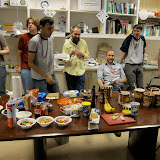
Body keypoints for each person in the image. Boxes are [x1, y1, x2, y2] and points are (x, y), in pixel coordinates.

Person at [28, 17, 60, 93]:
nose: (51, 31)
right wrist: (45, 76)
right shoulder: (34, 41)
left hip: (51, 75)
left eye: (52, 28)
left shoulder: (51, 38)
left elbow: (48, 55)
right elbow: (30, 63)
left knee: (57, 98)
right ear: (41, 27)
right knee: (44, 103)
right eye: (49, 28)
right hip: (39, 79)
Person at [62, 25, 90, 91]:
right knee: (71, 94)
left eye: (79, 34)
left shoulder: (83, 42)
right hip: (70, 72)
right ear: (71, 33)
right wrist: (71, 53)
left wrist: (82, 54)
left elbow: (88, 55)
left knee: (81, 93)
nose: (77, 36)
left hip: (80, 72)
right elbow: (64, 59)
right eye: (75, 34)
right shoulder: (66, 44)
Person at [119, 24, 146, 90]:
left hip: (139, 64)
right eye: (134, 31)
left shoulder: (142, 39)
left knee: (140, 86)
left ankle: (139, 99)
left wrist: (142, 64)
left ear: (141, 32)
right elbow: (124, 51)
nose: (135, 33)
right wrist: (119, 64)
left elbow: (143, 52)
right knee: (132, 86)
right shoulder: (129, 38)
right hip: (130, 64)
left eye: (137, 31)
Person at [17, 17, 40, 94]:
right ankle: (28, 106)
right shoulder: (23, 37)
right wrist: (20, 66)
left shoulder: (40, 37)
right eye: (29, 23)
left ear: (37, 25)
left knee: (38, 93)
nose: (30, 25)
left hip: (38, 68)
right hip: (26, 68)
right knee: (28, 92)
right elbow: (19, 53)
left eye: (32, 23)